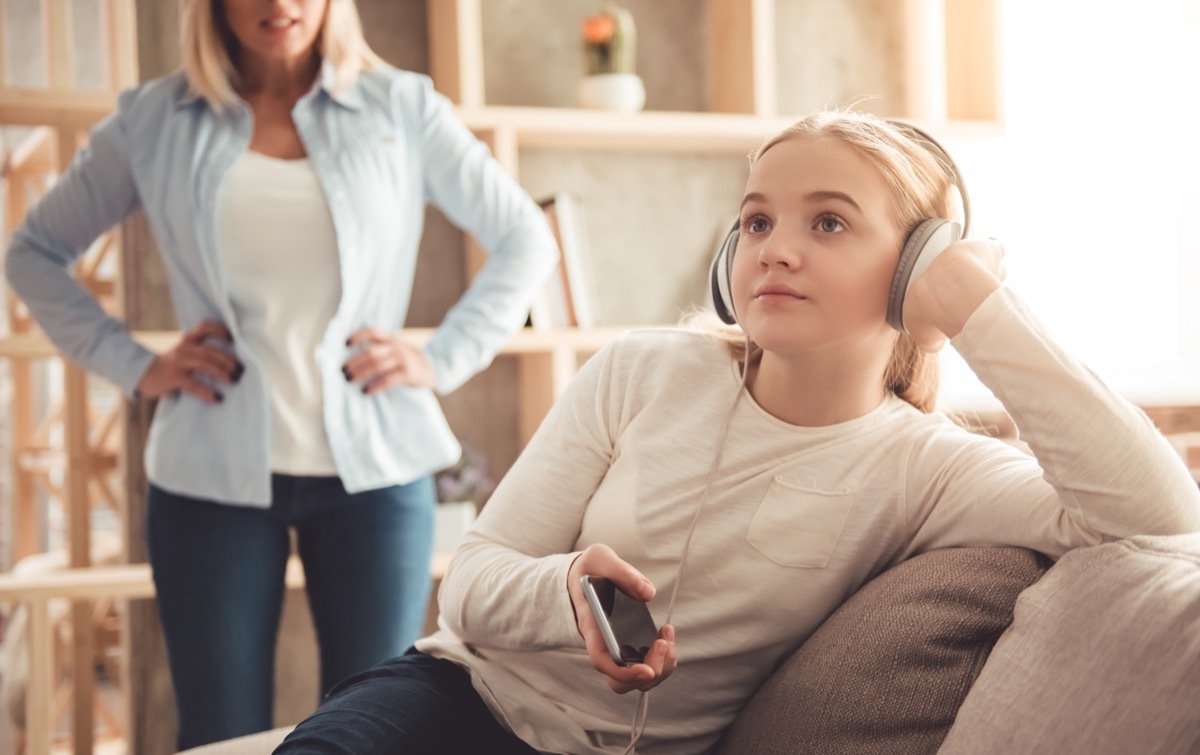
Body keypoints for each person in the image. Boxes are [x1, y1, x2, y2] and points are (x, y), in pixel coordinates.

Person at [271, 109, 1200, 755]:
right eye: (756, 219)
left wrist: (980, 308)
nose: (775, 248)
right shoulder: (645, 368)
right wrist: (567, 596)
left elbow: (1162, 515)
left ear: (916, 265)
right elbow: (472, 586)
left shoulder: (928, 469)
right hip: (457, 699)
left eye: (827, 220)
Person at [4, 0, 558, 750]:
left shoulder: (402, 106)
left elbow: (525, 236)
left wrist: (440, 356)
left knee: (372, 729)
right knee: (220, 733)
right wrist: (137, 366)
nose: (279, 5)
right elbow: (33, 251)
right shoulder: (154, 119)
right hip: (208, 479)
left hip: (376, 476)